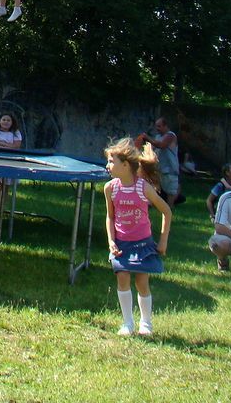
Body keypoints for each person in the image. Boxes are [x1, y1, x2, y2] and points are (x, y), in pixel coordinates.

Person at [103, 138, 172, 337]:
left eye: (111, 161)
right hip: (121, 244)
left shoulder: (143, 188)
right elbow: (110, 216)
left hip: (143, 243)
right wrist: (111, 240)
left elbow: (166, 211)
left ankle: (146, 323)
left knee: (142, 282)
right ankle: (127, 323)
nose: (108, 166)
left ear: (125, 165)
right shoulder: (110, 188)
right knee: (122, 279)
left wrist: (163, 239)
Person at [0, 113, 23, 211]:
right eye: (4, 120)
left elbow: (15, 147)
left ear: (12, 122)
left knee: (6, 187)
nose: (6, 122)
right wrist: (5, 146)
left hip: (10, 161)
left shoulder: (16, 133)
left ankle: (2, 208)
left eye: (8, 120)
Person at [138, 116, 180, 204]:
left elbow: (161, 145)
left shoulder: (171, 135)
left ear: (165, 126)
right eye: (156, 126)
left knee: (170, 192)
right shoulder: (157, 137)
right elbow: (152, 148)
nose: (157, 128)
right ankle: (150, 205)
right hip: (158, 168)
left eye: (159, 126)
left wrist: (147, 138)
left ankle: (169, 209)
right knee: (153, 188)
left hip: (170, 169)